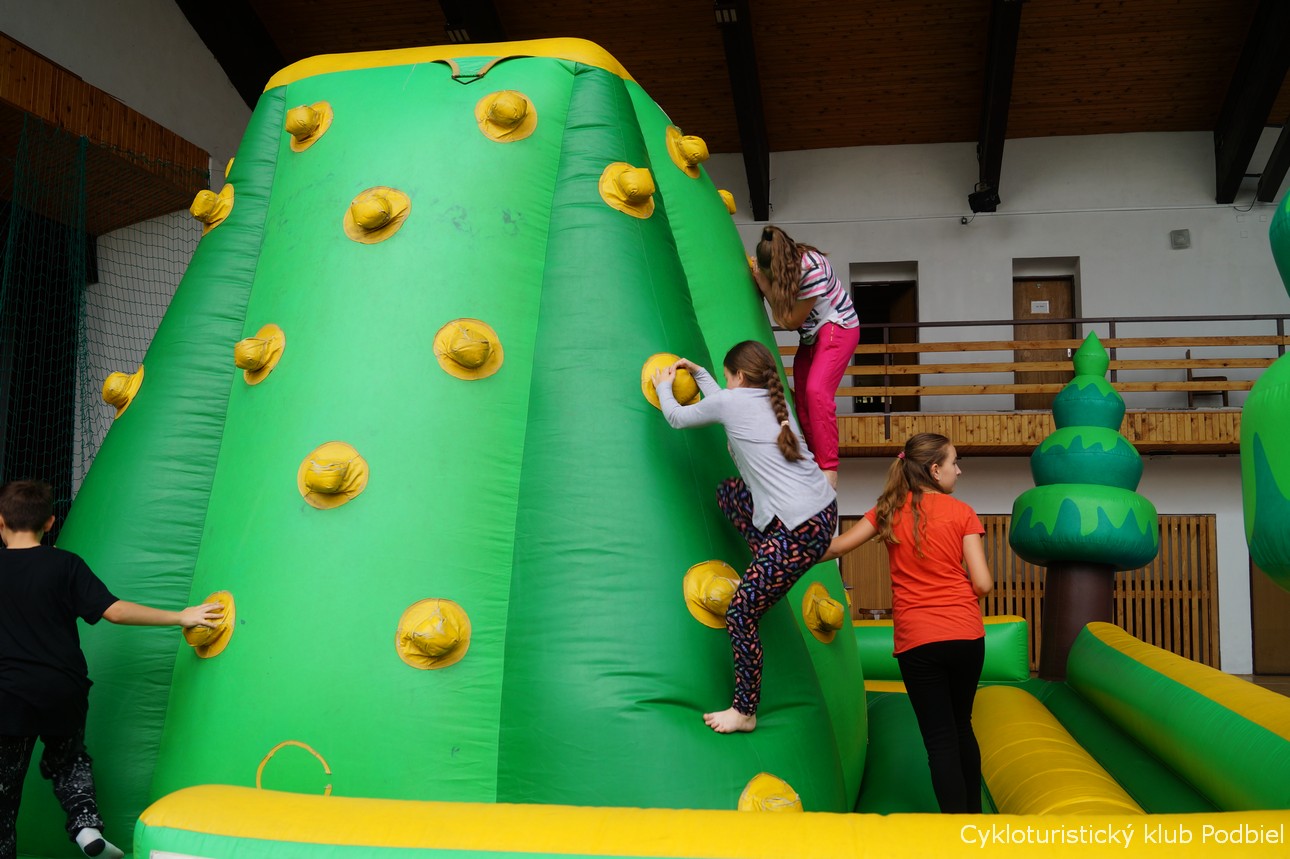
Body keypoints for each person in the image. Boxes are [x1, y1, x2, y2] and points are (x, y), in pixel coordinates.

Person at [0, 480, 223, 859]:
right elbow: (114, 611)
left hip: (8, 694)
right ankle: (86, 825)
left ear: (1, 521)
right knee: (69, 760)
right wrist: (181, 616)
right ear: (50, 522)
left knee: (4, 796)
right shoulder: (66, 564)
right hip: (63, 688)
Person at [653, 340, 837, 734]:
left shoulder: (733, 402)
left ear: (738, 376)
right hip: (820, 513)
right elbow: (725, 403)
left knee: (741, 613)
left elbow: (677, 418)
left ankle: (745, 710)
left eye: (725, 376)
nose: (724, 383)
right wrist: (702, 375)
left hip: (799, 528)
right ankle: (766, 565)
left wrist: (663, 385)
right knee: (731, 494)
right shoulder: (771, 403)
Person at [821, 433, 993, 813]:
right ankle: (975, 822)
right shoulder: (963, 512)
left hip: (918, 640)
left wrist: (778, 554)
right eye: (954, 463)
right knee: (962, 726)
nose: (959, 470)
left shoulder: (887, 510)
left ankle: (953, 829)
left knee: (940, 739)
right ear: (935, 470)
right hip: (965, 635)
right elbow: (982, 584)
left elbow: (835, 548)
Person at [751, 225, 860, 489]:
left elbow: (790, 321)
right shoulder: (789, 265)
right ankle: (812, 462)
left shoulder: (812, 270)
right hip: (812, 336)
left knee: (816, 392)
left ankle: (828, 468)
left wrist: (765, 287)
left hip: (838, 327)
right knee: (800, 401)